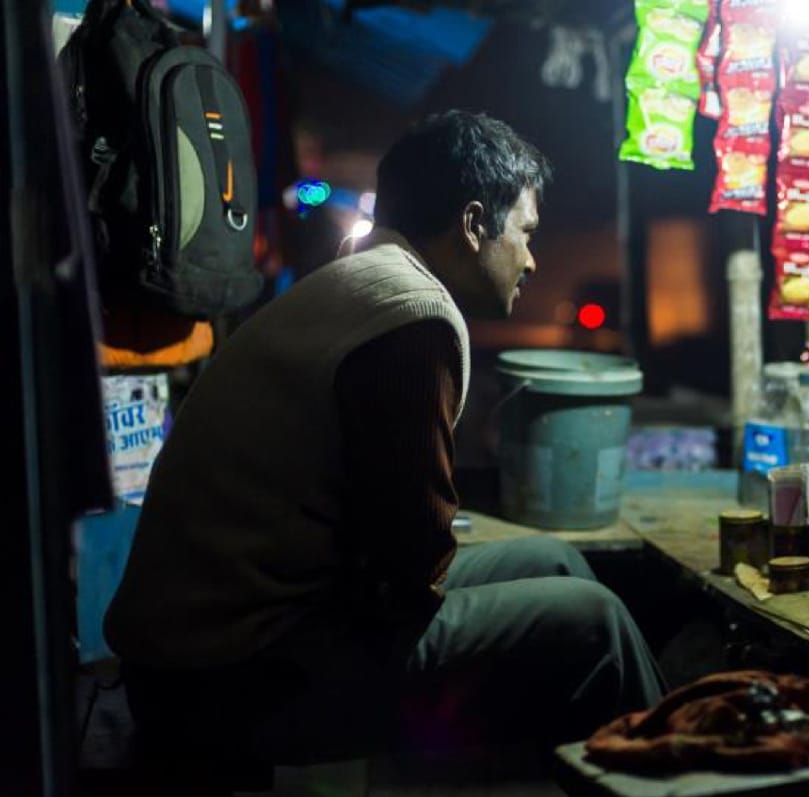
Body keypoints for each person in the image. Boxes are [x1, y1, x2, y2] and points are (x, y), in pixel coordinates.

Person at [103, 110, 665, 771]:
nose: (534, 259)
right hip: (227, 678)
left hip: (208, 651)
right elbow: (407, 560)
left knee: (556, 563)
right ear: (474, 223)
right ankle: (696, 772)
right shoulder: (411, 317)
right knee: (591, 621)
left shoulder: (365, 280)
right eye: (526, 232)